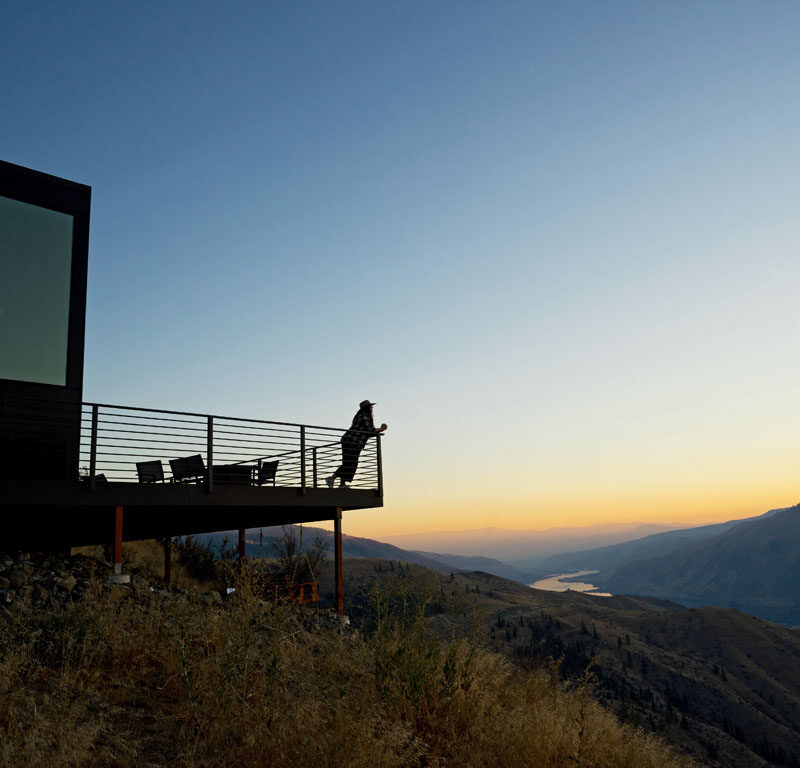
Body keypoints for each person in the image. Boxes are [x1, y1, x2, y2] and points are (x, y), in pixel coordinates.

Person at [326, 400, 387, 488]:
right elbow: (370, 430)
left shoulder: (359, 415)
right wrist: (381, 429)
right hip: (353, 442)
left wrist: (379, 430)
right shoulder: (365, 415)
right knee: (350, 463)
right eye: (371, 406)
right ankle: (332, 479)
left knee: (348, 462)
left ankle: (341, 483)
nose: (372, 408)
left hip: (349, 440)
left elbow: (367, 432)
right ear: (367, 408)